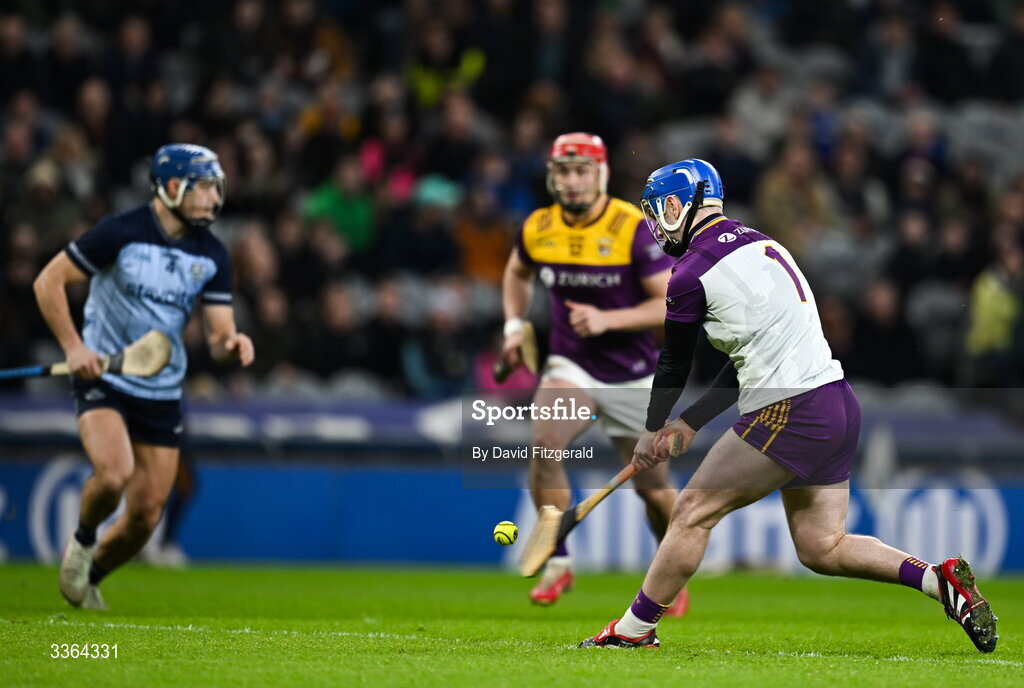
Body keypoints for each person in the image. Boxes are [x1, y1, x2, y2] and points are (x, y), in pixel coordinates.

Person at [578, 159, 998, 653]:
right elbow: (747, 358)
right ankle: (939, 581)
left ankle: (632, 630)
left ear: (676, 205)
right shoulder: (763, 243)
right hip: (837, 403)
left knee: (691, 511)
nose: (653, 225)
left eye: (655, 211)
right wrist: (688, 422)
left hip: (790, 407)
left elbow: (673, 363)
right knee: (823, 547)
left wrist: (651, 428)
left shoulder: (689, 272)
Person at [33, 143, 255, 609]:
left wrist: (231, 346)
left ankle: (89, 577)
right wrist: (75, 347)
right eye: (205, 188)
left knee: (147, 513)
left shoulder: (213, 254)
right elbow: (47, 281)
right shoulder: (121, 232)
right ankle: (83, 539)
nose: (215, 199)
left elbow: (218, 334)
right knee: (113, 475)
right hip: (105, 376)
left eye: (218, 188)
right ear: (172, 187)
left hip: (162, 388)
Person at [501, 133, 688, 614]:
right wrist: (513, 326)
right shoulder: (539, 227)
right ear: (552, 176)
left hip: (633, 376)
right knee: (544, 442)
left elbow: (667, 303)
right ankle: (558, 563)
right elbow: (516, 273)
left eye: (582, 170)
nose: (573, 180)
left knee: (654, 492)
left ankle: (670, 576)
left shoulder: (630, 226)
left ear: (600, 174)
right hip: (572, 366)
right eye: (564, 171)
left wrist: (608, 320)